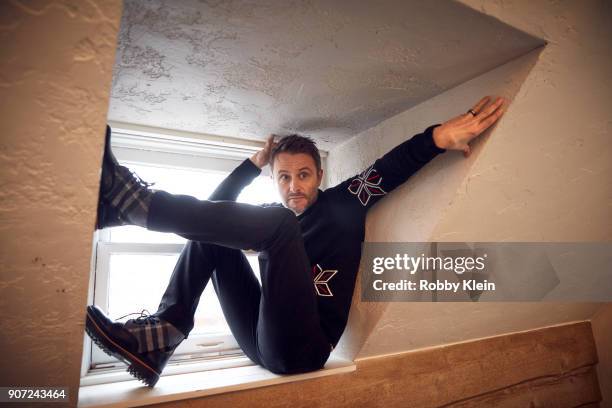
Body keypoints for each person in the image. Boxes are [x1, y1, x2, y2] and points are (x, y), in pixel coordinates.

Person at [85, 96, 507, 387]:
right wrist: (251, 166)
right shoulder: (274, 226)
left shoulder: (343, 205)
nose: (293, 187)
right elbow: (212, 213)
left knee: (277, 225)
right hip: (262, 339)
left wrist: (436, 138)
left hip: (305, 350)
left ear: (319, 176)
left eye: (303, 175)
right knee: (219, 229)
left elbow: (389, 169)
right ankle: (165, 330)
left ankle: (138, 206)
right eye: (283, 177)